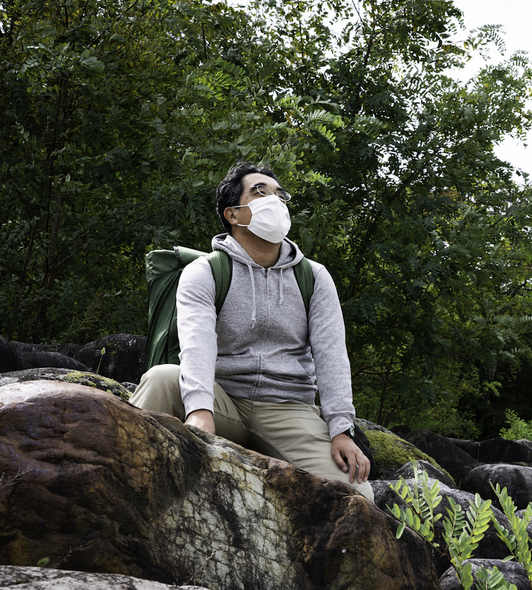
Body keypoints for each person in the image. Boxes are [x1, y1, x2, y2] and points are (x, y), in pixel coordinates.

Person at [131, 161, 373, 501]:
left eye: (279, 195)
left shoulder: (315, 277)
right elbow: (197, 344)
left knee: (357, 495)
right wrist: (200, 412)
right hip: (223, 400)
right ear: (233, 214)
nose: (274, 201)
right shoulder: (205, 272)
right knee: (160, 378)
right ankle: (120, 484)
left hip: (289, 410)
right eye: (260, 192)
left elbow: (333, 355)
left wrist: (341, 429)